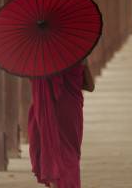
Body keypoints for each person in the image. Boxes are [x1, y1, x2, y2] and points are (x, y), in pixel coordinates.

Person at [28, 60, 95, 188]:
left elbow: (33, 81)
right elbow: (90, 86)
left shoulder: (37, 59)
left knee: (51, 150)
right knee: (70, 152)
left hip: (46, 109)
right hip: (70, 110)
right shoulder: (75, 53)